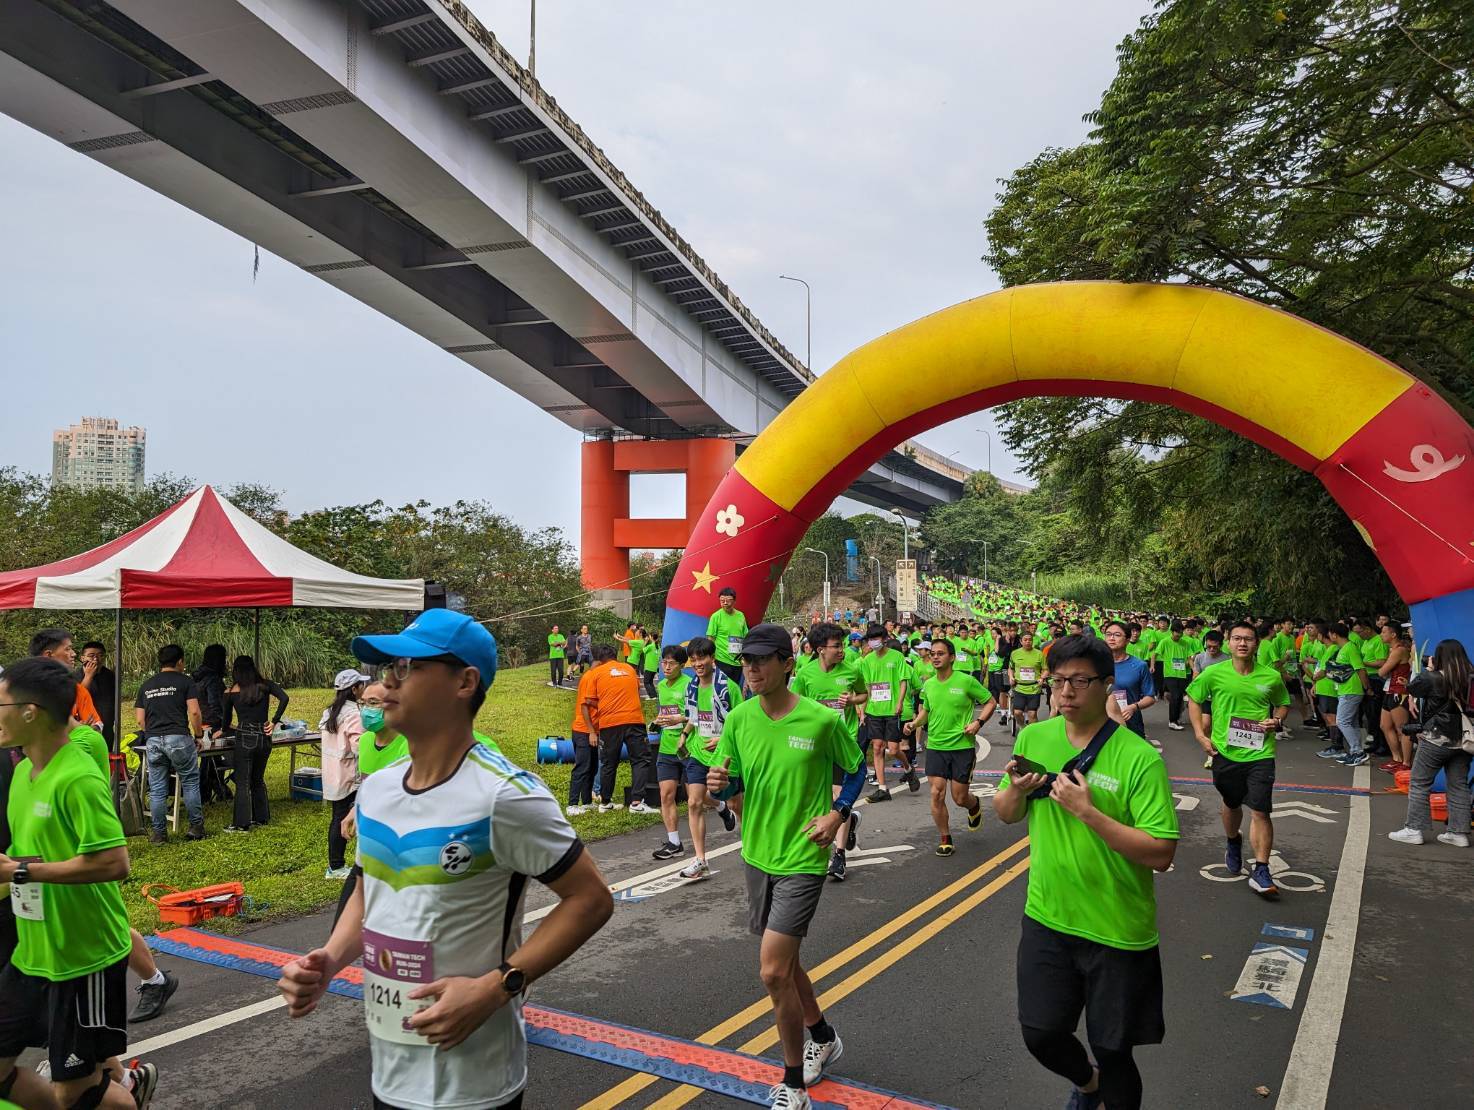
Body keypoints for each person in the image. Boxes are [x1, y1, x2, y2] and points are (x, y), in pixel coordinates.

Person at [279, 610, 613, 1110]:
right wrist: (331, 958)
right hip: (389, 1070)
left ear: (465, 681)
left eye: (406, 666)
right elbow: (373, 885)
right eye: (386, 667)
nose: (385, 681)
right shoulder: (378, 791)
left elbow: (590, 900)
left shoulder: (506, 795)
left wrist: (498, 986)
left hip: (473, 1082)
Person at [994, 635, 1178, 1110]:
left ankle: (1104, 1086)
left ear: (1106, 686)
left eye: (1080, 681)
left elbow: (1161, 852)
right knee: (1040, 1032)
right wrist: (1016, 790)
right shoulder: (1035, 736)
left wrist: (1089, 813)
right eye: (1059, 682)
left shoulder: (1139, 758)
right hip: (1047, 917)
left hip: (1117, 930)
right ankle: (1087, 1085)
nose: (1067, 692)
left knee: (1114, 1050)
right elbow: (1006, 811)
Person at [706, 625, 865, 1109]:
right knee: (788, 963)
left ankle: (793, 1085)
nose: (751, 669)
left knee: (773, 972)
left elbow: (855, 768)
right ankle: (823, 1034)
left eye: (761, 660)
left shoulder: (820, 720)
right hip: (756, 855)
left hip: (803, 857)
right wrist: (717, 784)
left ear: (787, 664)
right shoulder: (739, 719)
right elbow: (727, 783)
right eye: (746, 661)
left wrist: (838, 813)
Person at [0, 657, 160, 1110]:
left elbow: (113, 863)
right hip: (32, 951)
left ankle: (122, 1097)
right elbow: (33, 852)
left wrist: (20, 872)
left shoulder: (78, 777)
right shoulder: (21, 774)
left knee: (75, 1089)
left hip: (83, 955)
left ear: (29, 711)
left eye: (0, 703)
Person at [1187, 621, 1290, 897]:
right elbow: (1194, 699)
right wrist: (1199, 734)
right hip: (1225, 752)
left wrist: (1277, 721)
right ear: (1228, 642)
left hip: (1261, 752)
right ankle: (1233, 841)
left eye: (1248, 639)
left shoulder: (1270, 676)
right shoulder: (1213, 673)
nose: (1242, 643)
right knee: (1231, 803)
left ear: (1257, 643)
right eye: (1236, 638)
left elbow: (1283, 703)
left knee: (1260, 809)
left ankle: (1261, 869)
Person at [790, 623, 868, 881]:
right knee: (817, 798)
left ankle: (839, 855)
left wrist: (852, 701)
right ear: (820, 649)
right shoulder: (805, 674)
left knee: (837, 795)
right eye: (836, 646)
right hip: (814, 746)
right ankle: (849, 819)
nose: (842, 650)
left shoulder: (852, 670)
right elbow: (794, 706)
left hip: (842, 743)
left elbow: (863, 694)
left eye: (842, 645)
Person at [905, 638, 994, 856]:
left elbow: (991, 702)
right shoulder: (929, 685)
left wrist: (978, 723)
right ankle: (945, 838)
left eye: (940, 653)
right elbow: (927, 709)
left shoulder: (966, 681)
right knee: (936, 793)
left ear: (951, 657)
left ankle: (973, 806)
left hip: (962, 746)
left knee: (960, 797)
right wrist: (915, 723)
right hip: (936, 746)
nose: (935, 657)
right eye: (933, 653)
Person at [1388, 639, 1473, 847]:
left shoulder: (1434, 677)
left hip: (1436, 739)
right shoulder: (1470, 678)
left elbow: (1412, 688)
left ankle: (1413, 829)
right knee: (1459, 785)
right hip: (1464, 740)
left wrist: (1428, 669)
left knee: (1419, 782)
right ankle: (1458, 833)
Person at [679, 637, 741, 875]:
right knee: (694, 801)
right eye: (693, 659)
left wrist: (723, 740)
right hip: (698, 751)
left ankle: (752, 846)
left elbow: (740, 723)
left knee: (737, 803)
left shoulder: (728, 688)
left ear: (712, 658)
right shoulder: (691, 687)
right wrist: (685, 735)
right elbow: (694, 717)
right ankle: (700, 859)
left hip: (723, 753)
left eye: (702, 658)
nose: (697, 663)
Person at [135, 645, 205, 843]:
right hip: (179, 738)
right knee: (190, 782)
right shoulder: (186, 682)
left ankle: (159, 834)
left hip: (153, 739)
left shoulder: (147, 685)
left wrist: (153, 733)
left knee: (157, 788)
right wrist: (198, 735)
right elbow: (194, 712)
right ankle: (196, 827)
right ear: (180, 661)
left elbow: (140, 720)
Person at [220, 656, 289, 834]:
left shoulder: (230, 692)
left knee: (243, 781)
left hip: (244, 736)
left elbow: (226, 721)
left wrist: (224, 729)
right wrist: (274, 721)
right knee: (257, 779)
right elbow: (284, 698)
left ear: (236, 671)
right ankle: (261, 817)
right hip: (263, 736)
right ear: (253, 668)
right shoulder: (265, 685)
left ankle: (241, 823)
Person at [583, 645, 654, 815]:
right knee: (640, 760)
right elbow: (635, 692)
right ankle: (636, 802)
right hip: (634, 720)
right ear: (617, 655)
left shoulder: (596, 673)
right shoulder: (629, 669)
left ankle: (605, 802)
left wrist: (607, 704)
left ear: (599, 660)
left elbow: (589, 700)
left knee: (609, 763)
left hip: (609, 723)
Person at [320, 668, 372, 879]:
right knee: (345, 819)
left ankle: (336, 865)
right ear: (354, 689)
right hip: (350, 775)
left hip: (333, 774)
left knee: (338, 817)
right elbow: (360, 747)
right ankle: (336, 866)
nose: (364, 687)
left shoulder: (330, 711)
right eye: (362, 684)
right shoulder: (353, 715)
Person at [859, 625, 915, 802]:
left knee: (893, 749)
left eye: (876, 638)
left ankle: (908, 768)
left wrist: (899, 703)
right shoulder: (867, 661)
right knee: (877, 747)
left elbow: (903, 682)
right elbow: (867, 687)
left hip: (892, 710)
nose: (873, 642)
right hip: (874, 710)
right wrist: (862, 711)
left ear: (884, 639)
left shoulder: (897, 657)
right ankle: (883, 788)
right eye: (870, 639)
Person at [651, 645, 697, 861]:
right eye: (664, 662)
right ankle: (674, 842)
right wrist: (657, 722)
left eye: (671, 663)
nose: (666, 667)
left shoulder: (690, 684)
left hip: (688, 748)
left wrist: (681, 719)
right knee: (666, 795)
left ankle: (722, 806)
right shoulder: (661, 685)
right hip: (666, 748)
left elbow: (698, 715)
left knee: (696, 799)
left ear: (682, 665)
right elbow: (664, 713)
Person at [1315, 624, 1370, 767]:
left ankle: (1358, 752)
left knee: (1342, 721)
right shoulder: (1342, 649)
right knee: (1352, 723)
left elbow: (1360, 669)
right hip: (1344, 690)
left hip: (1351, 690)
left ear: (1334, 634)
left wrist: (1367, 688)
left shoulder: (1350, 648)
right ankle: (1354, 751)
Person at [30, 628, 103, 730]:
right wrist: (75, 728)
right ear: (48, 655)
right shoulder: (24, 690)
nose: (73, 654)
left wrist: (89, 729)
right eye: (67, 649)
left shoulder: (76, 689)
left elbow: (98, 724)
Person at [1103, 621, 1158, 747]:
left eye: (1117, 635)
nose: (1111, 638)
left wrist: (1133, 707)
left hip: (1131, 723)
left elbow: (1150, 697)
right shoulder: (1095, 664)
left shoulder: (1139, 666)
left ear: (1127, 639)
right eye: (1108, 634)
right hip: (1101, 723)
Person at [566, 654, 605, 816]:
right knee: (582, 767)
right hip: (583, 731)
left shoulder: (594, 676)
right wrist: (591, 732)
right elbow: (584, 705)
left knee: (592, 766)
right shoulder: (589, 677)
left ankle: (587, 801)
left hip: (592, 730)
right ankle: (572, 804)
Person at [1375, 626, 1413, 773]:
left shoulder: (1399, 650)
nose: (1381, 635)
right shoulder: (1392, 650)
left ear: (1393, 634)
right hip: (1389, 690)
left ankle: (1406, 762)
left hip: (1399, 692)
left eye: (1384, 632)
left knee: (1402, 729)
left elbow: (1382, 671)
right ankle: (1396, 758)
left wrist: (1384, 667)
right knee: (1385, 725)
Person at [706, 587, 751, 688]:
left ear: (734, 601)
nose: (725, 603)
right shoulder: (716, 616)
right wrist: (711, 660)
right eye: (722, 601)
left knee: (735, 689)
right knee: (722, 690)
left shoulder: (740, 616)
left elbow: (745, 636)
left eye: (728, 600)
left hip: (738, 661)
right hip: (721, 660)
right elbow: (710, 639)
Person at [78, 641, 118, 747]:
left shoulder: (111, 676)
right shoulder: (74, 676)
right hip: (84, 728)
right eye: (91, 656)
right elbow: (78, 698)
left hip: (107, 728)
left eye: (100, 655)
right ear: (82, 658)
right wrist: (88, 676)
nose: (96, 659)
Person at [1156, 621, 1194, 731]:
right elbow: (1155, 654)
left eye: (1181, 632)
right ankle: (1172, 721)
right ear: (1172, 632)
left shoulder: (1185, 643)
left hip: (1182, 674)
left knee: (1179, 697)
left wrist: (1194, 670)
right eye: (1177, 632)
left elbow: (1189, 658)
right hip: (1169, 674)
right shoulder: (1165, 642)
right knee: (1176, 696)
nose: (1180, 635)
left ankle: (1176, 719)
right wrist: (1153, 666)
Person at [1008, 630, 1048, 728]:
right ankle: (1022, 727)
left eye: (1030, 640)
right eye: (1025, 640)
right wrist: (1011, 677)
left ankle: (1032, 733)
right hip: (1019, 687)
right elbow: (1010, 668)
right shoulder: (1015, 653)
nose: (1028, 642)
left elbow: (1046, 669)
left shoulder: (1039, 654)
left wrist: (1042, 678)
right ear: (1021, 641)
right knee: (1017, 712)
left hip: (1034, 688)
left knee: (1032, 714)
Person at [191, 644, 228, 741]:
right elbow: (214, 703)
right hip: (215, 725)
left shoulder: (197, 678)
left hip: (201, 723)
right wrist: (226, 723)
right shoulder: (213, 679)